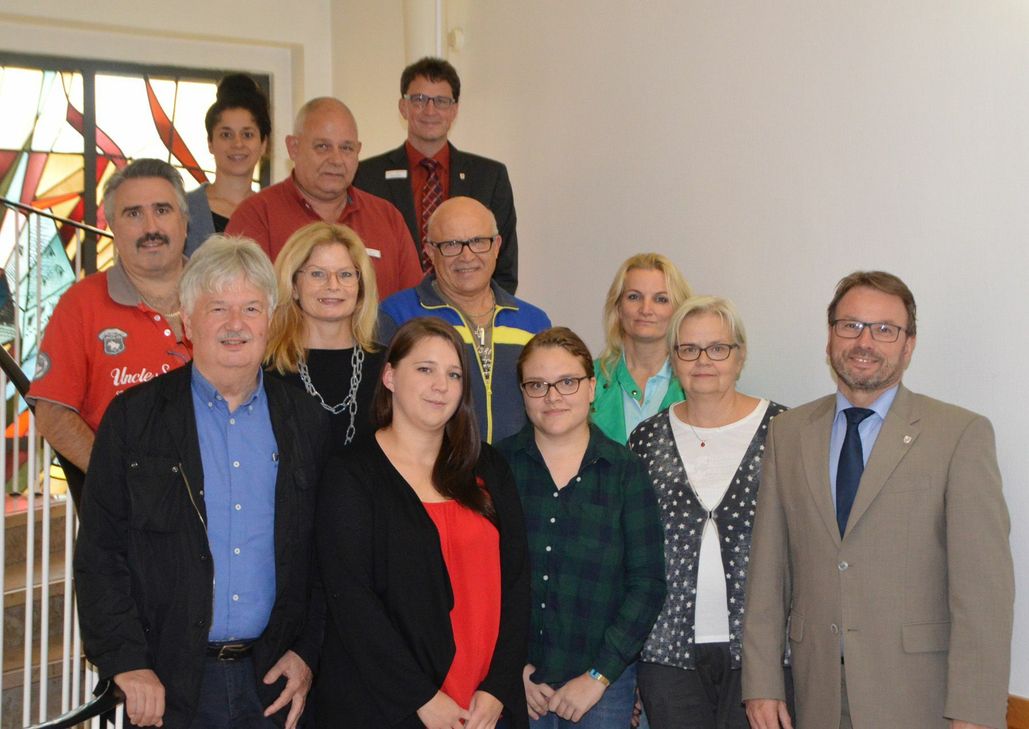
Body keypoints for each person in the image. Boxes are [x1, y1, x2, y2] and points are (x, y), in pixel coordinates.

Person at [74, 236, 330, 729]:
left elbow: (327, 555)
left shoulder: (306, 422)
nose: (236, 324)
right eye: (218, 308)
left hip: (274, 682)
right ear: (187, 322)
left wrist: (307, 652)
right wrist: (127, 661)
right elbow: (101, 553)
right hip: (167, 683)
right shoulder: (134, 419)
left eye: (251, 308)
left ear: (270, 320)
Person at [742, 271, 1014, 729]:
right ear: (830, 337)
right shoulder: (788, 433)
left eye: (885, 329)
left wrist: (975, 710)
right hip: (816, 693)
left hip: (918, 697)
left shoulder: (959, 435)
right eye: (850, 325)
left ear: (909, 345)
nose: (864, 341)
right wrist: (762, 682)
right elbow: (768, 571)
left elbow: (984, 591)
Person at [314, 317, 530, 728]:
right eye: (425, 369)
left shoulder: (488, 466)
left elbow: (518, 582)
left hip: (486, 708)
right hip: (391, 706)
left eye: (453, 375)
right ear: (390, 377)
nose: (441, 386)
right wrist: (422, 699)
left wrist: (498, 687)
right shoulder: (351, 474)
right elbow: (351, 600)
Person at [627, 296, 788, 729]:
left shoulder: (784, 431)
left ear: (740, 355)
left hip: (761, 655)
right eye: (689, 349)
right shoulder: (646, 440)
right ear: (673, 358)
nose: (703, 361)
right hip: (667, 654)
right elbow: (629, 553)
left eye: (718, 348)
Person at [496, 327, 666, 728]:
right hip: (517, 681)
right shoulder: (496, 467)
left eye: (567, 382)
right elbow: (479, 579)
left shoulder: (626, 471)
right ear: (523, 393)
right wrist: (510, 666)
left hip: (601, 687)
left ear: (591, 388)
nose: (552, 396)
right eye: (537, 385)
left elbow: (647, 584)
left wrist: (598, 675)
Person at [29, 158, 192, 472]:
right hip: (125, 496)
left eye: (162, 210)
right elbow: (52, 414)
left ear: (184, 221)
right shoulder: (81, 304)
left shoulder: (223, 297)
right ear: (112, 226)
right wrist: (116, 479)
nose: (151, 228)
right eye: (134, 214)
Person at [379, 197, 550, 443]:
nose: (467, 256)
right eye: (451, 244)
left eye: (478, 242)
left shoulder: (533, 322)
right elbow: (380, 406)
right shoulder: (397, 315)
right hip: (430, 465)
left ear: (496, 246)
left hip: (513, 466)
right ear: (430, 252)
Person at [226, 97, 423, 297]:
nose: (336, 160)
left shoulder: (388, 219)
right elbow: (236, 303)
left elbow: (415, 306)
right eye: (322, 146)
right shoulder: (256, 216)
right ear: (293, 147)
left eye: (346, 148)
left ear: (358, 151)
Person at [354, 57, 519, 293]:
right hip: (391, 308)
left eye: (441, 101)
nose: (430, 110)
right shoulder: (366, 177)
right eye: (419, 100)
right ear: (403, 107)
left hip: (467, 310)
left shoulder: (490, 177)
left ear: (454, 110)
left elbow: (504, 268)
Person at [265, 221, 384, 450]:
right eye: (318, 274)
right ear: (294, 286)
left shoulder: (388, 367)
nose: (333, 285)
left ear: (361, 287)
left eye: (346, 274)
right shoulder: (265, 369)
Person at [592, 253, 692, 444]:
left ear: (679, 310)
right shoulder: (588, 379)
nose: (645, 309)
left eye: (661, 299)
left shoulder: (696, 381)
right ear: (618, 307)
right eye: (634, 297)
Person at [185, 74, 270, 256]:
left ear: (263, 144)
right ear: (210, 143)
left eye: (247, 135)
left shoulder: (273, 213)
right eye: (226, 135)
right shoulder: (183, 209)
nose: (237, 144)